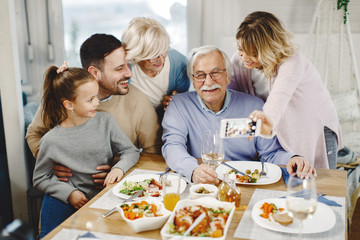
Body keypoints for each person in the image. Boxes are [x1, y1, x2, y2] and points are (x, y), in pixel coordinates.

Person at [162, 45, 316, 185]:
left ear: (228, 77)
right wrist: (193, 170)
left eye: (216, 73)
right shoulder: (178, 105)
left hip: (244, 184)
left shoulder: (254, 106)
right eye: (200, 75)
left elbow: (270, 154)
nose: (208, 82)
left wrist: (292, 159)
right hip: (204, 185)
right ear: (193, 80)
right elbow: (172, 146)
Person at [26, 33, 162, 185]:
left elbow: (153, 153)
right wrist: (51, 164)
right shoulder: (64, 95)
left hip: (117, 186)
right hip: (69, 187)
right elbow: (34, 134)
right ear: (95, 73)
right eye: (119, 68)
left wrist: (120, 170)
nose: (129, 73)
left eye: (128, 65)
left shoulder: (138, 100)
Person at [33, 62, 140, 238]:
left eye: (96, 96)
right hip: (65, 199)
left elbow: (131, 151)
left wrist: (118, 168)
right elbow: (40, 178)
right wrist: (69, 194)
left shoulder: (105, 122)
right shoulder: (50, 141)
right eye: (90, 99)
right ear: (69, 104)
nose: (97, 102)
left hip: (103, 195)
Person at [231, 11, 342, 169]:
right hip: (282, 130)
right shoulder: (238, 60)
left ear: (269, 49)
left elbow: (279, 97)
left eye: (253, 53)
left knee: (323, 183)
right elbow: (229, 95)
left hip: (316, 128)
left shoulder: (292, 61)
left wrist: (267, 119)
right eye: (241, 49)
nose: (245, 58)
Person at [121, 17, 190, 118]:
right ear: (137, 55)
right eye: (154, 55)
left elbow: (182, 106)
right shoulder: (125, 65)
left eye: (164, 51)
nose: (161, 60)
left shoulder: (180, 65)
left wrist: (176, 102)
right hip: (133, 117)